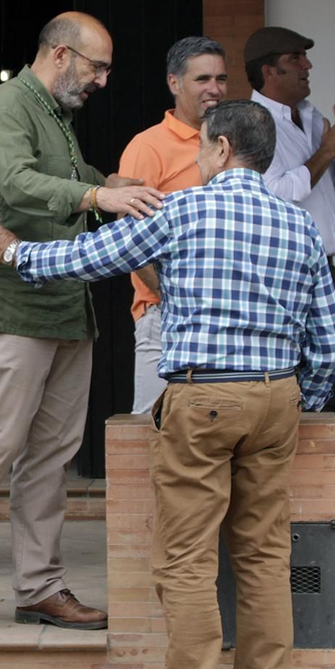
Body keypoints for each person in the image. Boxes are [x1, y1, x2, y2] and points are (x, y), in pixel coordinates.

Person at [0, 100, 335, 669]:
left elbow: (89, 257)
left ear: (216, 147)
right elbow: (330, 340)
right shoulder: (297, 225)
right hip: (276, 398)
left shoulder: (182, 211)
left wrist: (11, 251)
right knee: (266, 556)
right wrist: (308, 400)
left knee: (187, 560)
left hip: (202, 396)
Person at [0, 11, 162, 633]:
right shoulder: (1, 105)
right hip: (7, 305)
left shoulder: (55, 115)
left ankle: (39, 586)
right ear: (59, 54)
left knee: (53, 454)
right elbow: (19, 184)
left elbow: (66, 179)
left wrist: (106, 182)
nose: (103, 80)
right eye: (97, 66)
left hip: (63, 304)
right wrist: (97, 196)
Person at [245, 25, 335, 411]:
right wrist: (325, 152)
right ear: (269, 71)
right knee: (290, 380)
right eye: (295, 59)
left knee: (332, 377)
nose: (307, 65)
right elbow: (275, 193)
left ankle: (323, 468)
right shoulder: (254, 122)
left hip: (326, 271)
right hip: (283, 273)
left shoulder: (311, 116)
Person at [117, 36, 228, 415]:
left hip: (226, 315)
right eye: (202, 79)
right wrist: (173, 296)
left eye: (221, 78)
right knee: (151, 434)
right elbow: (130, 240)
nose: (214, 88)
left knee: (216, 433)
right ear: (174, 83)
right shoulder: (148, 146)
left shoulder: (229, 141)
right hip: (168, 317)